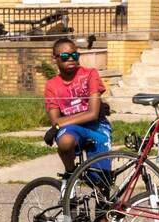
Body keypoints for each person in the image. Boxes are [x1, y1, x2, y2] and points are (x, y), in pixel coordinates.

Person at [43, 37, 111, 173]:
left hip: (97, 127)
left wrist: (58, 125)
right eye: (65, 56)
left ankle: (99, 186)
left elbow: (93, 114)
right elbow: (55, 119)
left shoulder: (90, 74)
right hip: (71, 128)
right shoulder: (51, 85)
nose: (70, 59)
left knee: (102, 181)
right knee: (65, 142)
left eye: (74, 55)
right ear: (54, 59)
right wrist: (59, 123)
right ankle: (70, 175)